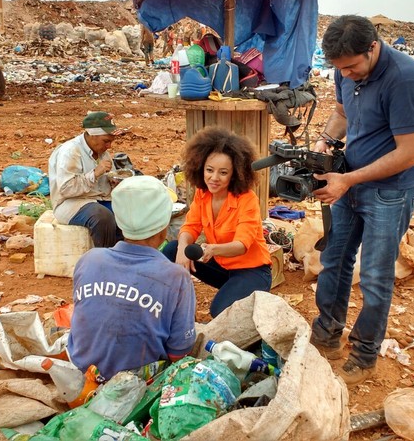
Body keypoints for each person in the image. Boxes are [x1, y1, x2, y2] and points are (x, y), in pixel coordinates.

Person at [309, 15, 414, 386]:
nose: (345, 75)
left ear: (373, 47)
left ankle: (363, 353)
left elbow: (409, 153)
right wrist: (326, 140)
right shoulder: (344, 70)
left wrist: (348, 180)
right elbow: (342, 113)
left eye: (351, 67)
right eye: (338, 69)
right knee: (334, 259)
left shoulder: (406, 77)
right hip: (350, 180)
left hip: (391, 190)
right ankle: (326, 336)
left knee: (375, 276)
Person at [68, 175, 197, 380]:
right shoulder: (176, 277)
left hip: (83, 377)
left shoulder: (89, 260)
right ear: (164, 226)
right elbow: (179, 353)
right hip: (137, 383)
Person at [162, 126, 272, 317]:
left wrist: (212, 249)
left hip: (251, 270)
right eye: (209, 170)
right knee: (171, 250)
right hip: (222, 267)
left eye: (223, 172)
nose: (214, 178)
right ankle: (171, 306)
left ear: (235, 173)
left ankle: (246, 301)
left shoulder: (247, 199)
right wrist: (182, 248)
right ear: (200, 167)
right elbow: (191, 226)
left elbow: (241, 245)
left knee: (219, 311)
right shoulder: (202, 193)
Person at [48, 111, 124, 248]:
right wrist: (95, 173)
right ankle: (105, 261)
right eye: (106, 141)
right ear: (92, 135)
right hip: (70, 203)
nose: (109, 146)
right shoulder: (71, 151)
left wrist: (113, 181)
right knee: (102, 217)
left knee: (127, 213)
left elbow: (103, 183)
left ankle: (123, 256)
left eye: (111, 142)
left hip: (99, 200)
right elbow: (66, 189)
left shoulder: (102, 152)